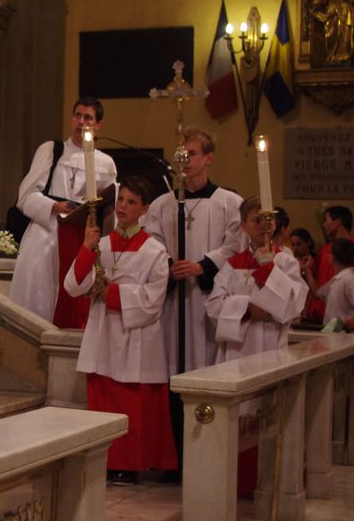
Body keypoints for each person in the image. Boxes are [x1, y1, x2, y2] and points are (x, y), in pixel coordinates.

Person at [63, 176, 176, 485]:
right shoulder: (100, 244)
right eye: (120, 200)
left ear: (144, 210)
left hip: (135, 337)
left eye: (130, 202)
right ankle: (106, 461)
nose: (123, 206)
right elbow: (73, 286)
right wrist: (86, 249)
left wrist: (111, 294)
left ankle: (130, 463)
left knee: (131, 404)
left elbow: (153, 301)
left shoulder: (155, 250)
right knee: (104, 399)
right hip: (103, 335)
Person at [143, 126, 243, 373]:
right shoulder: (162, 204)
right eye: (181, 155)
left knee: (206, 361)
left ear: (209, 157)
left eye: (192, 153)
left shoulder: (229, 203)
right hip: (173, 297)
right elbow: (151, 245)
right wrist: (167, 265)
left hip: (207, 295)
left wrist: (203, 266)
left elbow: (235, 246)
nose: (184, 161)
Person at [9, 97, 117, 325]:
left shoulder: (106, 163)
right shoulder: (52, 150)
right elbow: (25, 196)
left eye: (88, 118)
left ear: (98, 125)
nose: (81, 122)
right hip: (47, 235)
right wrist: (54, 206)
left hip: (83, 236)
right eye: (77, 115)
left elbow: (109, 207)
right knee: (41, 300)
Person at [205, 197, 308, 363]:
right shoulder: (233, 265)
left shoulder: (285, 261)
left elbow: (295, 304)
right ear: (243, 227)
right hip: (237, 351)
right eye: (256, 220)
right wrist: (247, 307)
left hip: (272, 343)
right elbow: (213, 306)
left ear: (274, 224)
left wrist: (268, 268)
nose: (263, 225)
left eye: (268, 220)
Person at [321, 238, 354, 330]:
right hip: (333, 335)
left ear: (332, 257)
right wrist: (307, 272)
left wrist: (346, 324)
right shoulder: (337, 279)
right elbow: (318, 293)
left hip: (345, 336)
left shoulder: (349, 278)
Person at [315, 205, 352, 287]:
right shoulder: (324, 250)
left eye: (326, 220)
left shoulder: (352, 248)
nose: (323, 225)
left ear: (337, 222)